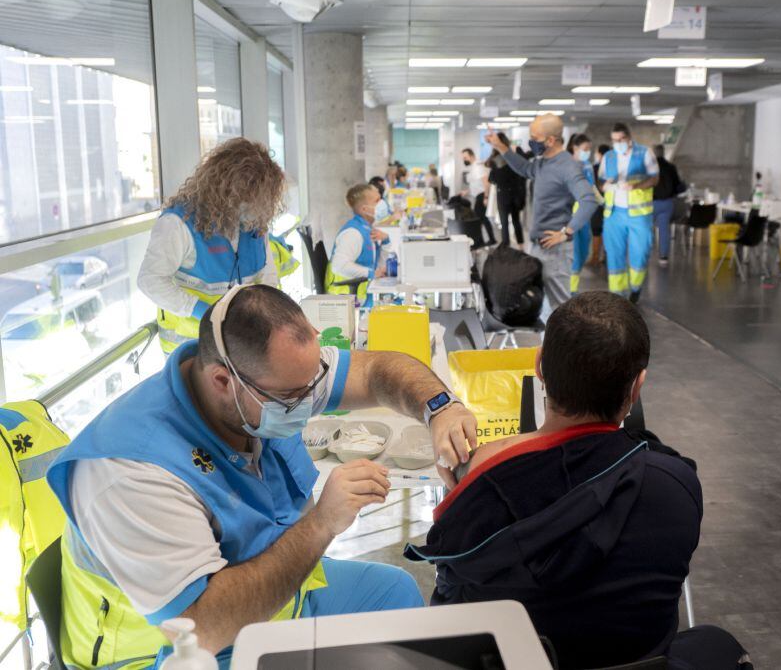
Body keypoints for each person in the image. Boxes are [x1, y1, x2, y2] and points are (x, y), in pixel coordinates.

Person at [47, 284, 479, 668]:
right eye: (294, 398)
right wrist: (323, 523)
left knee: (395, 595)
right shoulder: (130, 473)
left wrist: (440, 407)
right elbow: (201, 629)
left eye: (315, 384)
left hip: (269, 598)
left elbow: (374, 370)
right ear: (222, 381)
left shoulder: (271, 380)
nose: (310, 404)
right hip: (172, 650)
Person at [406, 292, 751, 670]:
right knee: (718, 644)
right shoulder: (675, 483)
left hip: (511, 662)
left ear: (539, 366)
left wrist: (468, 475)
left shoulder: (481, 481)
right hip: (637, 663)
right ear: (638, 386)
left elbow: (451, 600)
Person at [137, 138, 282, 354]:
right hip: (190, 348)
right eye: (244, 199)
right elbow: (150, 281)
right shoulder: (178, 224)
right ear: (221, 190)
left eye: (257, 200)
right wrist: (204, 312)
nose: (251, 207)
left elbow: (267, 275)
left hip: (239, 344)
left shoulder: (253, 222)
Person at [484, 115, 599, 313]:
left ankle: (561, 344)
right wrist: (501, 147)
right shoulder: (543, 163)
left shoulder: (567, 167)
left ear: (551, 140)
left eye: (534, 137)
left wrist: (566, 232)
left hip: (555, 250)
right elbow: (524, 168)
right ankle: (548, 343)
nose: (531, 142)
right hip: (538, 245)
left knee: (559, 309)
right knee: (543, 307)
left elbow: (589, 200)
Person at [597, 123, 659, 302]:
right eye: (614, 140)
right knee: (614, 254)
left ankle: (636, 287)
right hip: (614, 213)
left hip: (639, 213)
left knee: (640, 253)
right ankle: (617, 294)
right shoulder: (608, 157)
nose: (617, 143)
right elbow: (601, 182)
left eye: (621, 139)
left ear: (629, 138)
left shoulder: (644, 153)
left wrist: (635, 186)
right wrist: (606, 185)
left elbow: (655, 178)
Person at [326, 183, 388, 304]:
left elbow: (378, 264)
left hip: (365, 292)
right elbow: (339, 266)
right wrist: (372, 273)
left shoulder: (366, 228)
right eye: (377, 201)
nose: (382, 204)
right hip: (348, 299)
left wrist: (386, 241)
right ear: (364, 209)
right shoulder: (353, 233)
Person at [566, 133, 601, 294]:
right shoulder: (566, 164)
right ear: (575, 148)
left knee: (584, 251)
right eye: (585, 149)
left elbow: (592, 186)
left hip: (585, 214)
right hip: (569, 216)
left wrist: (601, 201)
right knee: (574, 252)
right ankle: (570, 290)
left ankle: (572, 286)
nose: (588, 152)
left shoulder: (587, 165)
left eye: (589, 149)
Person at [484, 133, 527, 247]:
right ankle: (521, 246)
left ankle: (505, 246)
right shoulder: (514, 156)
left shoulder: (496, 159)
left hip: (503, 194)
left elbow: (492, 179)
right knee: (516, 221)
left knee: (504, 223)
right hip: (516, 194)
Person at [652, 144, 684, 266]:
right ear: (663, 153)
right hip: (667, 203)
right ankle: (663, 258)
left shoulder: (650, 167)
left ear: (653, 154)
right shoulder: (671, 167)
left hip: (651, 203)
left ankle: (644, 256)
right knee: (664, 230)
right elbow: (678, 186)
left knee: (646, 229)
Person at [462, 148, 496, 244]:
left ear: (472, 156)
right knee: (482, 219)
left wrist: (486, 197)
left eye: (465, 157)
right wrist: (467, 191)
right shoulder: (474, 167)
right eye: (463, 158)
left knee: (477, 219)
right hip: (479, 195)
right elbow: (476, 184)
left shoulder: (478, 167)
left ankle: (480, 241)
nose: (464, 160)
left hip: (481, 195)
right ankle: (489, 239)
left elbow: (486, 182)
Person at [588, 143, 611, 266]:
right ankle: (607, 258)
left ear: (600, 154)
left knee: (596, 230)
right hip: (612, 203)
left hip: (597, 204)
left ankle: (595, 258)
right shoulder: (614, 168)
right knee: (608, 230)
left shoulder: (594, 168)